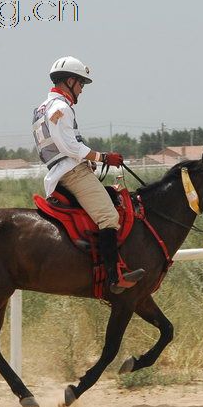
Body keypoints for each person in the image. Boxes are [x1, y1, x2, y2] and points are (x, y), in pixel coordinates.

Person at [32, 56, 145, 294]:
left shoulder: (43, 108)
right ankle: (114, 277)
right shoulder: (61, 108)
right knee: (109, 217)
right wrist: (103, 158)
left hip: (61, 171)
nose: (82, 90)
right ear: (70, 81)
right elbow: (70, 147)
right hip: (72, 173)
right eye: (81, 84)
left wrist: (89, 161)